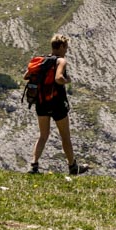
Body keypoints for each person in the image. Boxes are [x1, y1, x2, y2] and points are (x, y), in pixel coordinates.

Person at [29, 33, 86, 175]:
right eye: (66, 47)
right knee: (65, 135)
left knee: (43, 135)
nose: (66, 50)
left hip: (41, 102)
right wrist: (67, 80)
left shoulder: (42, 60)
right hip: (57, 103)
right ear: (61, 46)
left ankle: (34, 166)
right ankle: (72, 166)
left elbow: (26, 75)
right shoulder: (61, 61)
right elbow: (58, 78)